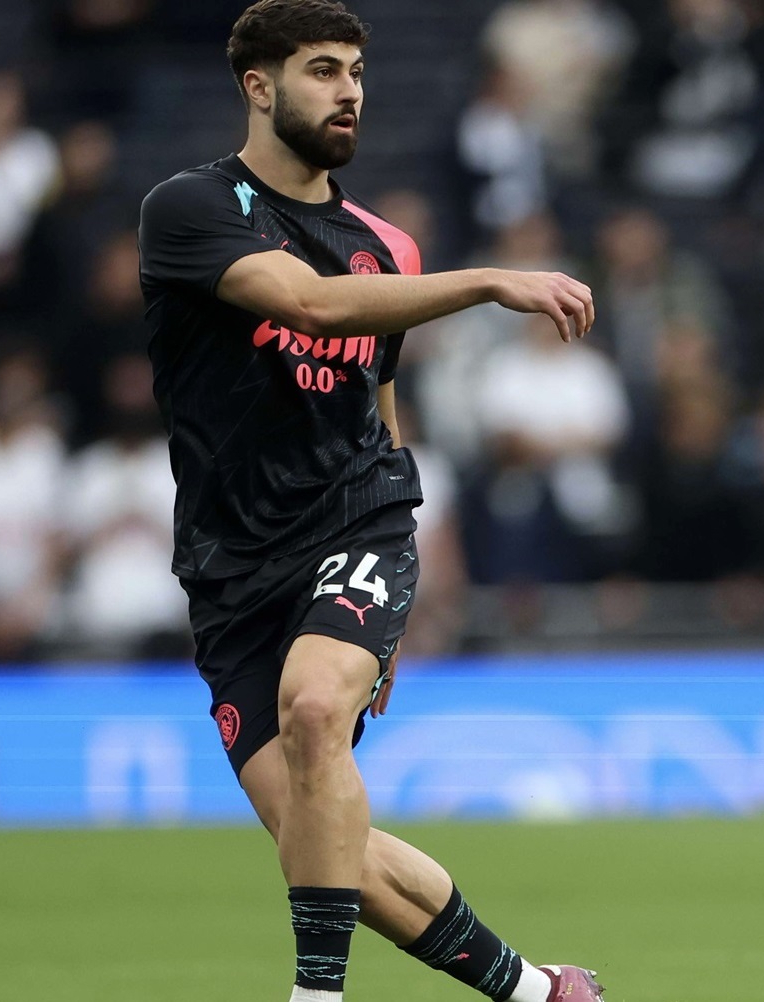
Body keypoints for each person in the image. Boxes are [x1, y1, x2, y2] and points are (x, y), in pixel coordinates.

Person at [136, 4, 602, 1002]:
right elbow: (307, 304)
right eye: (319, 71)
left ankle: (316, 997)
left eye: (353, 71)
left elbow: (375, 404)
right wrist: (486, 281)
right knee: (316, 834)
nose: (347, 91)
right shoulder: (190, 209)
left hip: (357, 521)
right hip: (231, 567)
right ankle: (532, 989)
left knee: (315, 707)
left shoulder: (384, 243)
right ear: (258, 87)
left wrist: (377, 619)